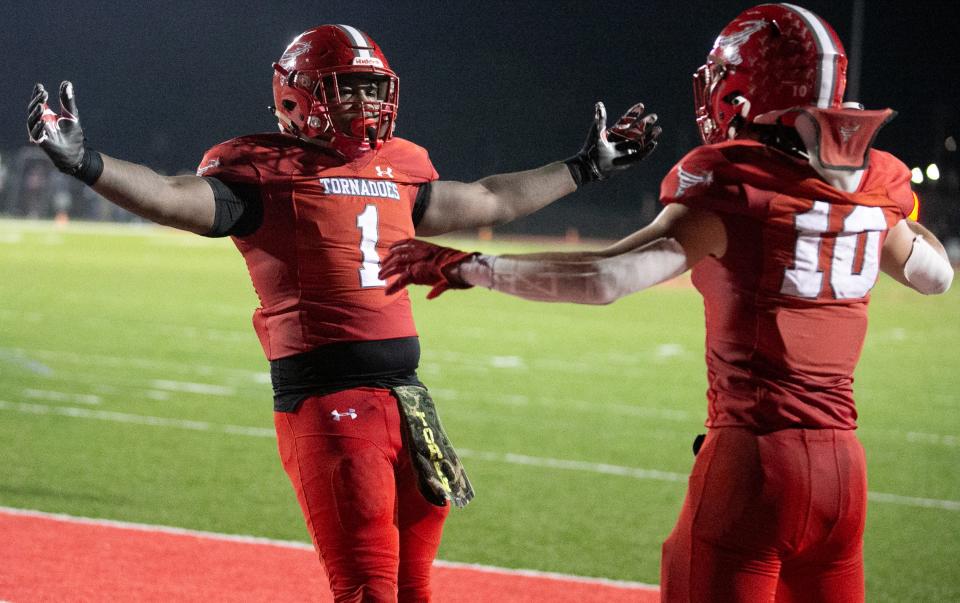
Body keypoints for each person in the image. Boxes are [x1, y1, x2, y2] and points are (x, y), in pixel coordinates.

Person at [27, 24, 659, 603]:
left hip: (408, 403)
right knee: (367, 592)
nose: (366, 106)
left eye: (370, 90)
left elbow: (490, 196)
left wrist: (585, 167)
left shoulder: (399, 166)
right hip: (329, 406)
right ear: (298, 100)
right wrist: (88, 163)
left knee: (414, 592)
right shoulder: (262, 170)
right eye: (347, 91)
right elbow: (170, 198)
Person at [378, 4, 954, 602]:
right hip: (845, 476)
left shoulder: (737, 180)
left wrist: (468, 265)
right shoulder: (874, 185)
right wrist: (895, 211)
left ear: (743, 90)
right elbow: (935, 275)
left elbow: (610, 276)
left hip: (754, 467)